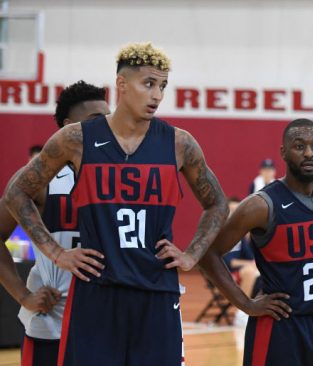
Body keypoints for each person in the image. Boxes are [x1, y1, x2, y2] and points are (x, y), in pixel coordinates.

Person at [2, 42, 229, 366]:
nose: (157, 95)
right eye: (148, 84)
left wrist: (191, 253)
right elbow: (15, 193)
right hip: (96, 293)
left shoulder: (179, 143)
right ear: (122, 85)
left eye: (162, 86)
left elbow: (218, 203)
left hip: (156, 291)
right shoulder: (76, 139)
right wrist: (56, 252)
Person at [199, 118, 313, 366]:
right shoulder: (260, 205)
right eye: (299, 146)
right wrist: (246, 303)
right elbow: (208, 254)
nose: (309, 153)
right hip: (280, 329)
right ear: (283, 152)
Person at [0, 80, 111, 366]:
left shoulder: (120, 177)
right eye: (97, 121)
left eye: (109, 119)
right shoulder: (39, 181)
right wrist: (24, 296)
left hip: (109, 318)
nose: (108, 127)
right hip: (52, 323)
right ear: (67, 126)